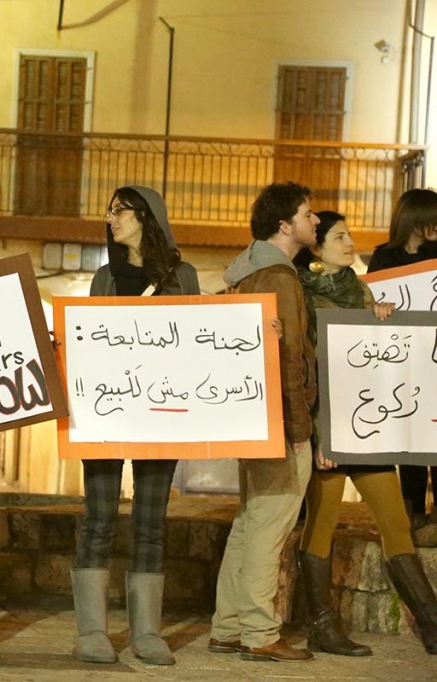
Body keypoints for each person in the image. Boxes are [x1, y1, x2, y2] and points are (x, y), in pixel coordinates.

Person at [297, 211, 437, 655]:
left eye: (349, 235)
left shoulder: (359, 288)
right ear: (316, 249)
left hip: (366, 430)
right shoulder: (301, 294)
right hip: (330, 435)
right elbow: (309, 373)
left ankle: (433, 626)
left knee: (396, 523)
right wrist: (319, 439)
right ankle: (322, 626)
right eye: (339, 237)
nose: (350, 242)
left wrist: (380, 316)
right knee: (319, 529)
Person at [71, 186, 200, 666]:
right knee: (98, 519)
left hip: (161, 417)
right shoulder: (105, 277)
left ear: (146, 217)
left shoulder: (182, 277)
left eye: (118, 210)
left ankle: (147, 632)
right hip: (105, 414)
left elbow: (200, 342)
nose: (110, 218)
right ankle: (92, 632)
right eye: (108, 210)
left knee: (151, 522)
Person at [209, 181, 319, 662]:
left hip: (252, 416)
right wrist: (297, 432)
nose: (315, 221)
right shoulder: (277, 277)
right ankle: (259, 632)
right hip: (276, 420)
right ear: (285, 224)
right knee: (271, 525)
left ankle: (228, 627)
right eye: (308, 213)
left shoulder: (246, 273)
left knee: (251, 522)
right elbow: (289, 361)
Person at [366, 188, 437, 528]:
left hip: (433, 361)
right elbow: (371, 306)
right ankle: (413, 517)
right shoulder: (383, 258)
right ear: (414, 220)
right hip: (400, 364)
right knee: (409, 440)